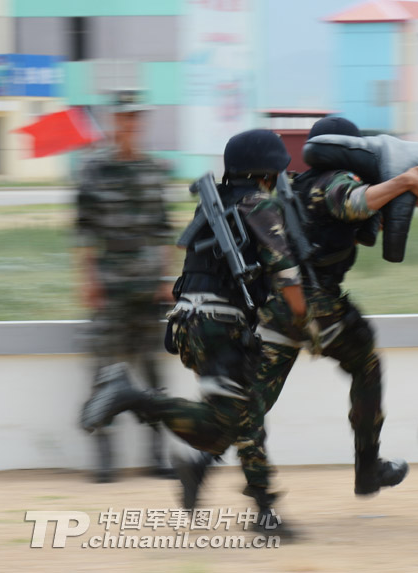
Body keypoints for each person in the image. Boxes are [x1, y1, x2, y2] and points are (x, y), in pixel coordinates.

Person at [80, 129, 308, 536]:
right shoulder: (258, 206)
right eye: (276, 173)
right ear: (264, 173)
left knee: (232, 421)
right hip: (218, 327)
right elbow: (289, 280)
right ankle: (132, 396)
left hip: (189, 324)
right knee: (244, 419)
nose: (278, 180)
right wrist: (308, 326)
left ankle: (225, 486)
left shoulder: (215, 208)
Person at [244, 116, 418, 498]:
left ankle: (199, 460)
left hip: (279, 307)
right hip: (319, 307)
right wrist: (404, 182)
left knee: (251, 399)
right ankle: (368, 469)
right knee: (366, 363)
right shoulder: (336, 181)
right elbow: (356, 204)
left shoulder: (296, 185)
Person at [74, 88, 174, 483]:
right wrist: (88, 280)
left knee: (153, 373)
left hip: (149, 288)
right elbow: (84, 231)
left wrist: (167, 278)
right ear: (115, 121)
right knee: (105, 374)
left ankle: (157, 455)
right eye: (125, 118)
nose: (132, 124)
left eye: (137, 118)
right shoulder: (93, 170)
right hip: (110, 287)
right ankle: (104, 457)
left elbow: (164, 229)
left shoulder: (154, 170)